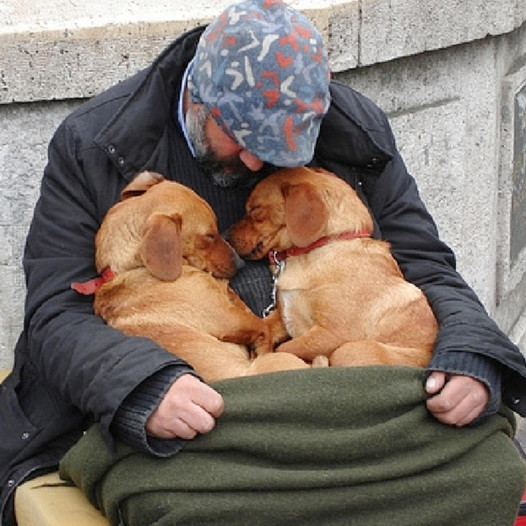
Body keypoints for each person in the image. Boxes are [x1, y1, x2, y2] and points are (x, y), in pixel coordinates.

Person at [1, 0, 525, 523]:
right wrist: (143, 385)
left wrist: (470, 355)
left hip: (325, 393)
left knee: (493, 472)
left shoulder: (351, 127)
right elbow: (54, 316)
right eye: (242, 139)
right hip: (194, 399)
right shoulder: (96, 142)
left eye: (279, 149)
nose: (256, 162)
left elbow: (426, 263)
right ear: (196, 96)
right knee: (194, 509)